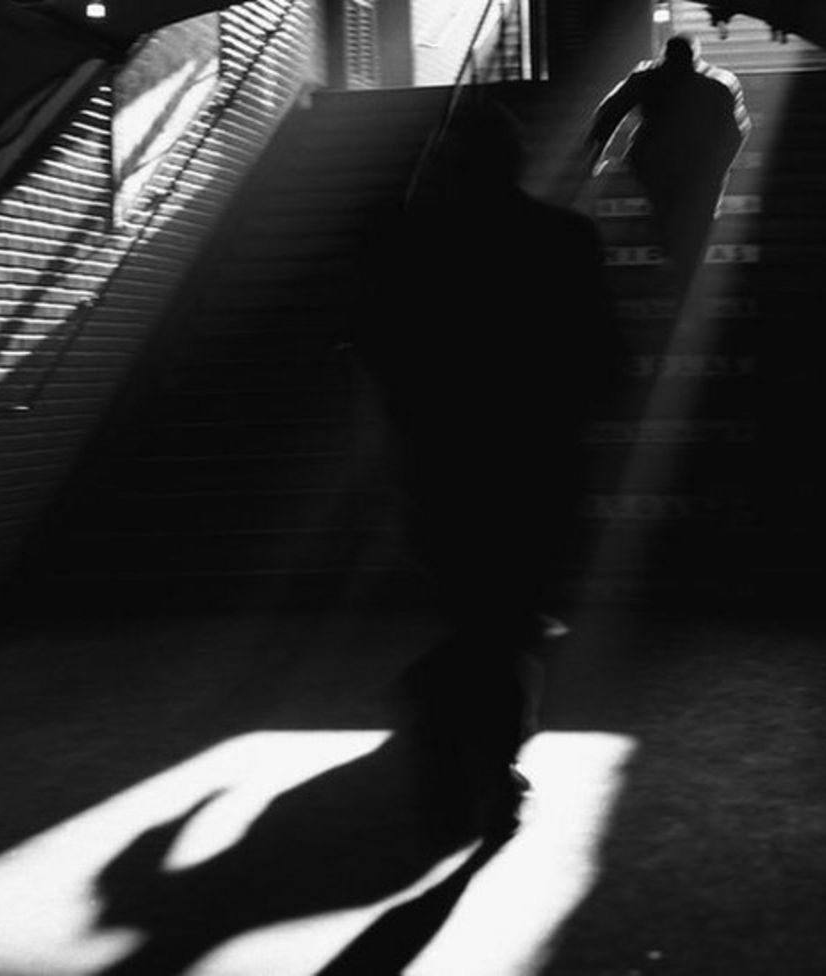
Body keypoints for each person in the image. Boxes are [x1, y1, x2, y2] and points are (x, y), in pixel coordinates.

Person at [354, 102, 627, 837]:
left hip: (443, 463)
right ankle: (484, 756)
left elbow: (378, 346)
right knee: (507, 618)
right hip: (537, 463)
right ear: (515, 160)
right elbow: (605, 357)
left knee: (473, 608)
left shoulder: (405, 240)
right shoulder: (564, 239)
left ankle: (452, 735)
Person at [583, 32, 751, 294]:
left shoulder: (648, 80)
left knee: (668, 212)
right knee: (691, 217)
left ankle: (677, 263)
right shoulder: (713, 88)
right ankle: (685, 271)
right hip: (694, 167)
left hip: (656, 162)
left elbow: (609, 113)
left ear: (665, 55)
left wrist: (594, 155)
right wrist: (718, 168)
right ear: (694, 59)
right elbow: (735, 133)